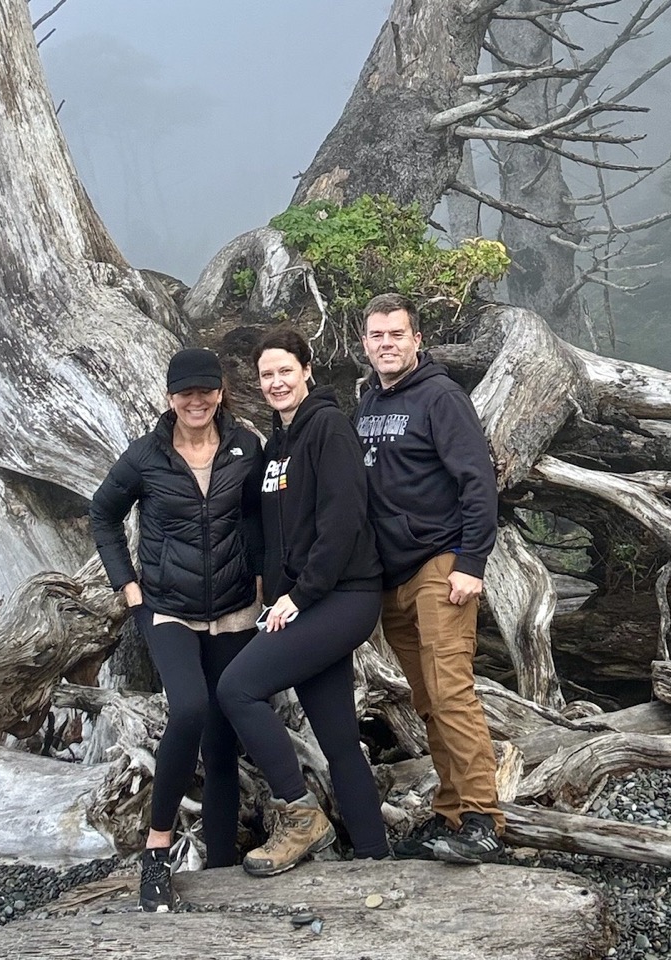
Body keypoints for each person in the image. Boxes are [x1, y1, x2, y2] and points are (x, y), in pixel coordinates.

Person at [90, 348, 264, 913]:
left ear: (220, 393)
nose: (197, 401)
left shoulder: (246, 446)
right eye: (185, 392)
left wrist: (263, 578)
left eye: (206, 391)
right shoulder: (145, 457)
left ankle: (219, 865)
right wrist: (128, 586)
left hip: (235, 610)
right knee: (188, 709)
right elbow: (103, 514)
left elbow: (259, 516)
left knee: (220, 738)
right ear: (169, 398)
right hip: (167, 609)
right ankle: (156, 852)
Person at [215, 327, 390, 876]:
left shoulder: (329, 428)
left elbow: (342, 522)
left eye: (284, 370)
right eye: (267, 375)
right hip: (306, 599)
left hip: (343, 595)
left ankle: (299, 815)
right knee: (337, 735)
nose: (276, 382)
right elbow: (270, 533)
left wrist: (299, 595)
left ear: (307, 370)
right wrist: (271, 589)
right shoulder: (275, 446)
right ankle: (374, 854)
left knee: (237, 689)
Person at [354, 292, 504, 865]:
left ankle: (483, 819)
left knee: (451, 692)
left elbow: (478, 483)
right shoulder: (367, 402)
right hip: (390, 577)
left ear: (417, 340)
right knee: (426, 701)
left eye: (397, 334)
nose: (387, 343)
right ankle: (449, 812)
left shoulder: (441, 397)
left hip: (440, 566)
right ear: (365, 344)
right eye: (377, 335)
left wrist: (471, 564)